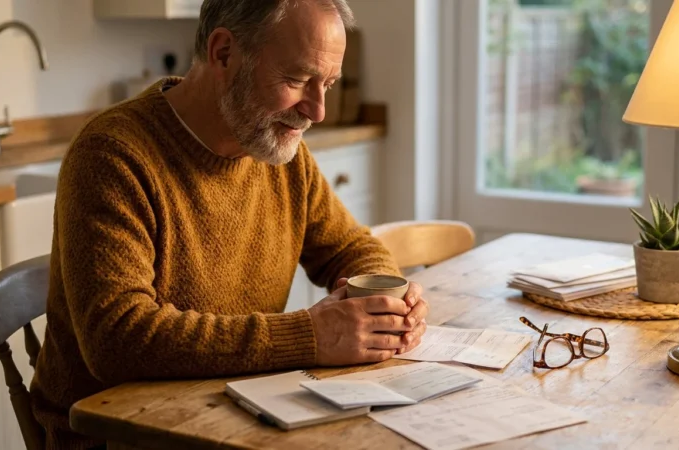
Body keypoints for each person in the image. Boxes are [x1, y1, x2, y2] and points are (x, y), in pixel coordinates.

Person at [29, 0, 430, 448]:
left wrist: (389, 298)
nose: (317, 111)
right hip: (118, 435)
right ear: (223, 53)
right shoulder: (112, 155)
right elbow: (117, 340)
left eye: (328, 84)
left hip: (234, 412)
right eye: (297, 80)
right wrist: (309, 336)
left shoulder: (277, 151)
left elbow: (348, 246)